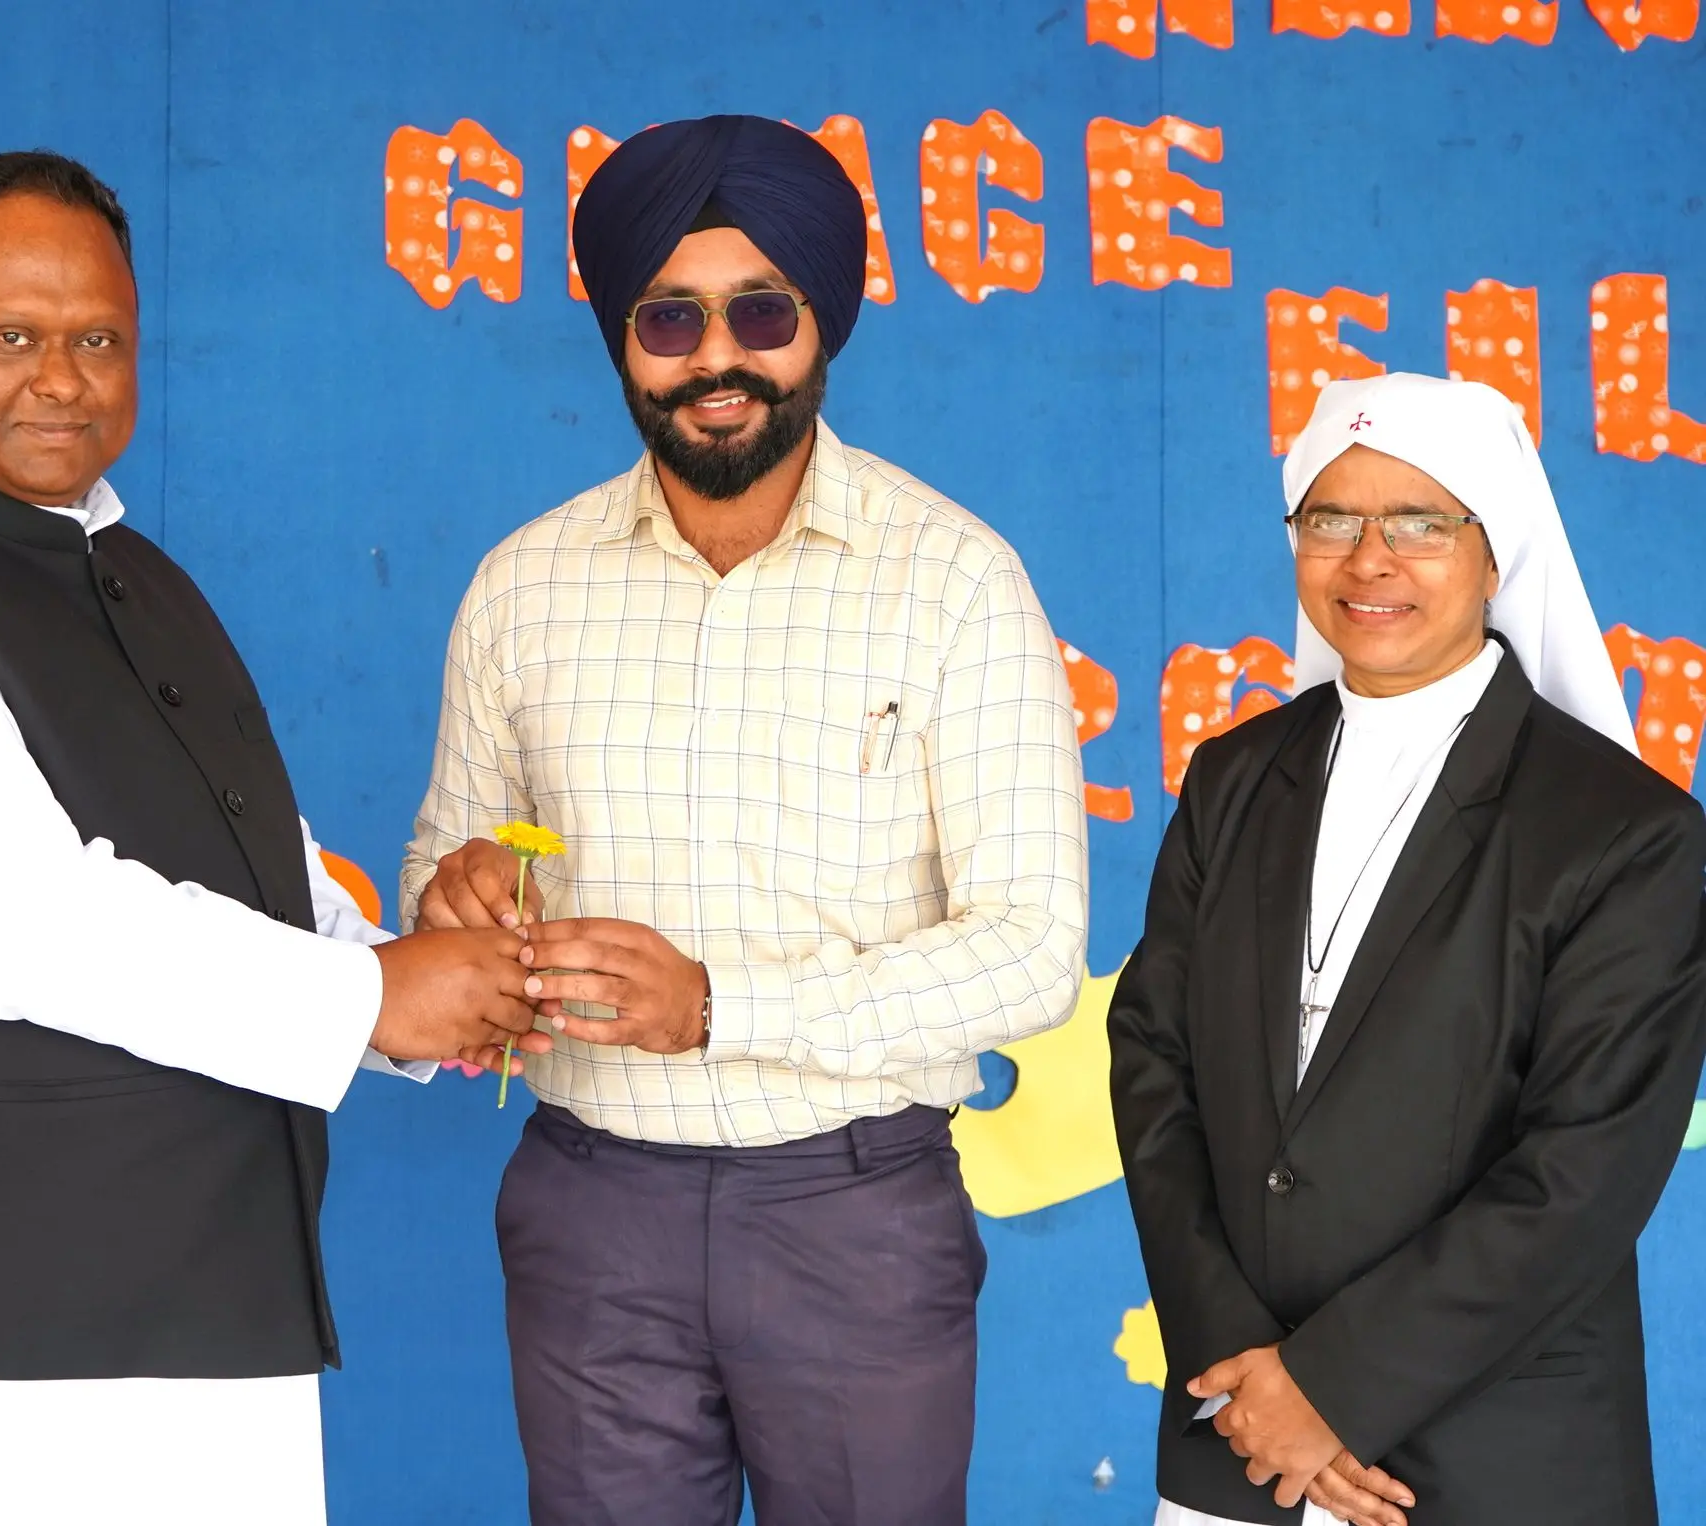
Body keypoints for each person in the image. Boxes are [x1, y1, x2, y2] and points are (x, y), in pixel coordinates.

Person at [0, 151, 545, 1526]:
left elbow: (265, 878)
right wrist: (375, 993)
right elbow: (23, 922)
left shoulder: (138, 578)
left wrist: (427, 972)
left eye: (97, 340)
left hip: (211, 1303)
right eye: (9, 337)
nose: (60, 380)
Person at [401, 114, 1088, 1526]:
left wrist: (718, 1005)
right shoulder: (523, 585)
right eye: (670, 318)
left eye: (761, 312)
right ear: (621, 337)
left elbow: (1030, 951)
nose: (718, 357)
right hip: (592, 1207)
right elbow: (449, 859)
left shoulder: (954, 578)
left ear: (820, 323)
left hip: (854, 1209)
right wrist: (455, 897)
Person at [1110, 372, 1706, 1526]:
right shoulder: (1233, 778)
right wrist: (1241, 1364)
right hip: (1239, 1440)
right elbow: (1153, 1063)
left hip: (1495, 1457)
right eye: (1332, 519)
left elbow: (1584, 1167)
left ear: (1495, 553)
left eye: (1422, 523)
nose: (1369, 560)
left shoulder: (1622, 828)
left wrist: (1327, 1390)